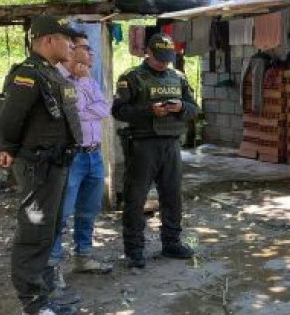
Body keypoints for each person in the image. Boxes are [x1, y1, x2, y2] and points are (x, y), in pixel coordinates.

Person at [0, 16, 81, 315]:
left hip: (56, 165)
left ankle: (44, 294)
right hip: (38, 167)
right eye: (65, 38)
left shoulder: (50, 74)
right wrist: (7, 148)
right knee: (34, 233)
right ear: (47, 40)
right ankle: (32, 307)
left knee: (49, 230)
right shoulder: (28, 75)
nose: (71, 44)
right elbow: (9, 120)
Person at [113, 33, 199, 268]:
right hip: (142, 145)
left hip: (171, 144)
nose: (164, 62)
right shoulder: (131, 78)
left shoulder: (178, 77)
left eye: (167, 58)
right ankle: (134, 250)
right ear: (147, 52)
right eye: (159, 57)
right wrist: (149, 110)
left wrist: (181, 106)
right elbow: (119, 111)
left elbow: (194, 108)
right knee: (136, 198)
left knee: (172, 197)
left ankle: (171, 243)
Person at [49, 31, 114, 294]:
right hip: (72, 156)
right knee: (61, 214)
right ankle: (53, 268)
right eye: (86, 48)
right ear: (72, 50)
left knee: (89, 210)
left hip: (94, 155)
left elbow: (104, 110)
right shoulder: (57, 80)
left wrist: (87, 97)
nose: (91, 54)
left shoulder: (87, 79)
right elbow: (70, 114)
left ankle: (84, 256)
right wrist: (88, 110)